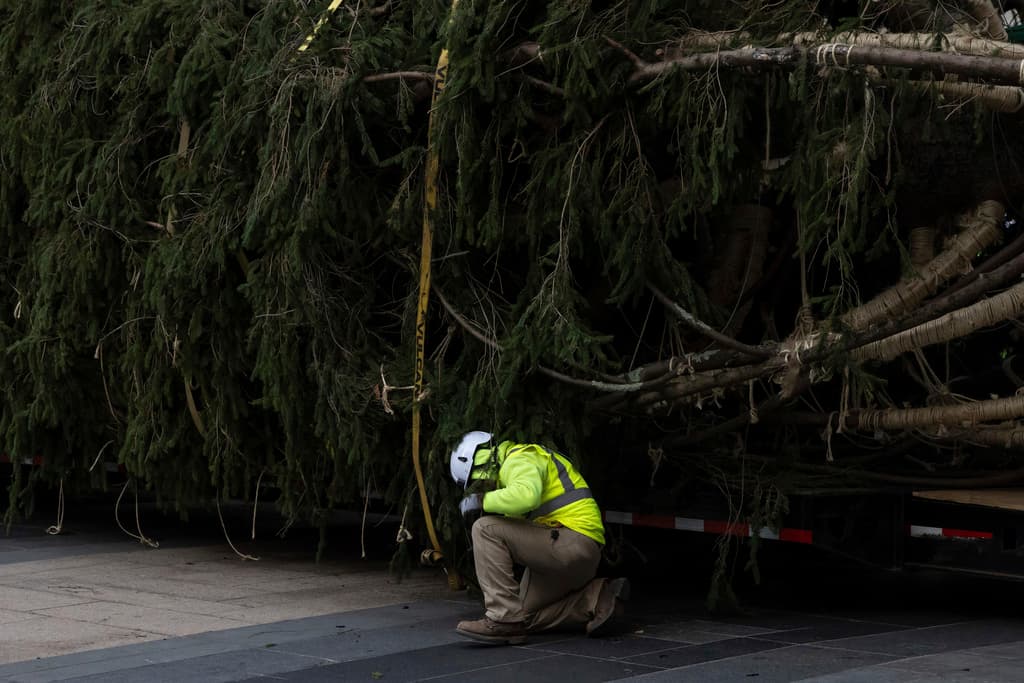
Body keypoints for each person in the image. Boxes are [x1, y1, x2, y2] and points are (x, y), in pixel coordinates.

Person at [449, 430, 630, 645]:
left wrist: (481, 501)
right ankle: (594, 599)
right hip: (565, 552)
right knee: (522, 617)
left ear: (480, 463)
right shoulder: (512, 472)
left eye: (476, 479)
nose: (480, 485)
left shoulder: (520, 458)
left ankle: (501, 619)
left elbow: (526, 496)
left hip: (573, 540)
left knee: (484, 528)